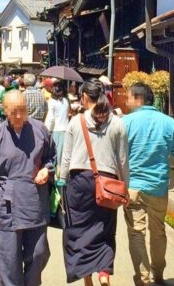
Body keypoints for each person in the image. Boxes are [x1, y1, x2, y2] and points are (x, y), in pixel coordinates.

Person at [122, 83, 174, 285]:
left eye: (128, 97)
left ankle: (143, 277)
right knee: (158, 231)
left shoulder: (125, 122)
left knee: (136, 233)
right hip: (158, 186)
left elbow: (117, 156)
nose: (126, 100)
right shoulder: (169, 123)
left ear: (138, 99)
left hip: (133, 186)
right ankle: (158, 274)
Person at [0, 90, 56, 286]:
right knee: (8, 260)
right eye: (14, 112)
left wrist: (47, 169)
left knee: (38, 254)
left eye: (23, 110)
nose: (19, 116)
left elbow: (52, 157)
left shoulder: (40, 131)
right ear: (4, 111)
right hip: (6, 204)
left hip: (35, 202)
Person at [57, 81, 128, 286]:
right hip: (108, 183)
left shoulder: (76, 121)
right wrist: (124, 187)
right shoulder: (117, 122)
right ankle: (104, 273)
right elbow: (122, 160)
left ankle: (87, 279)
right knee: (104, 230)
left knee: (78, 231)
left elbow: (66, 157)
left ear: (85, 98)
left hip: (79, 181)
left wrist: (62, 183)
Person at [44, 80, 70, 166]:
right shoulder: (66, 101)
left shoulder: (52, 102)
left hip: (56, 130)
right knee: (63, 154)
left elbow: (50, 119)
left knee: (56, 154)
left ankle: (56, 174)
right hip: (66, 129)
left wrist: (46, 130)